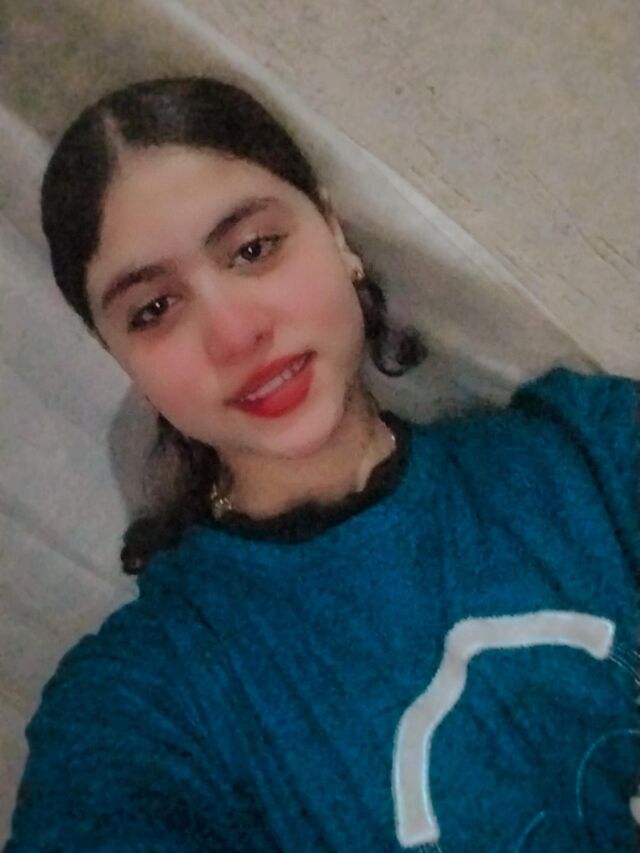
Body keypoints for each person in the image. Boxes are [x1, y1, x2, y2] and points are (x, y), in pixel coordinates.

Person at [4, 76, 639, 852]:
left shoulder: (589, 452)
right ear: (123, 360)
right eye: (154, 309)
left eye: (253, 248)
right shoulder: (145, 698)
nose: (234, 334)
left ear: (336, 233)